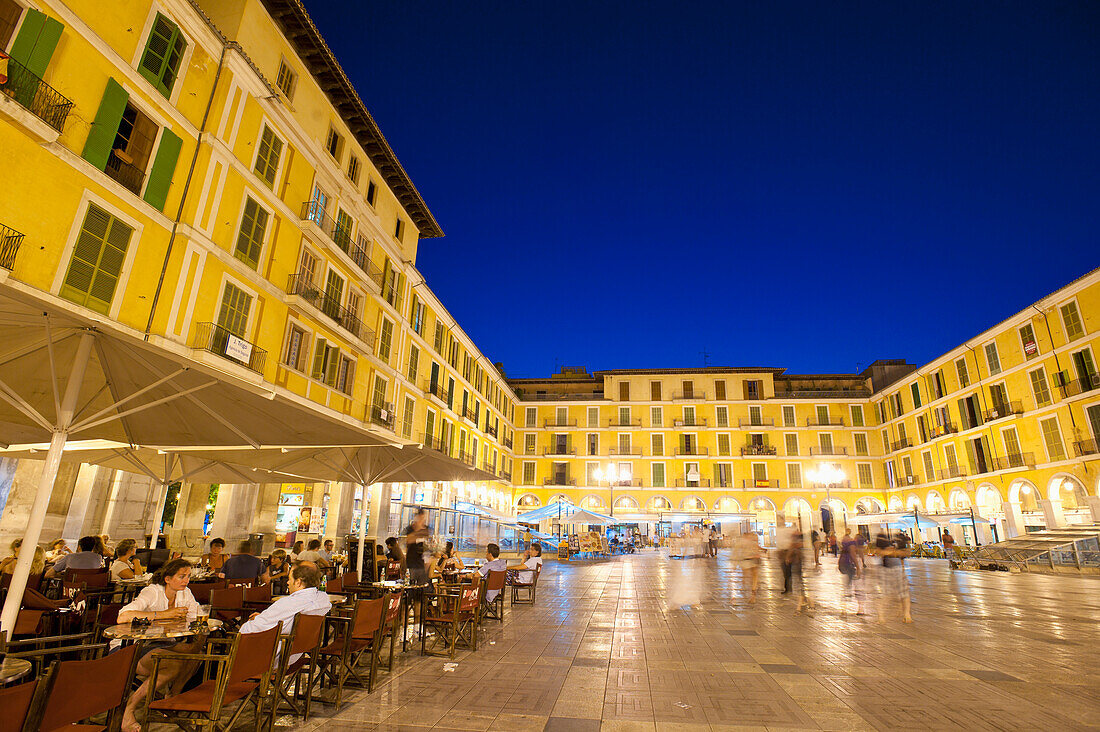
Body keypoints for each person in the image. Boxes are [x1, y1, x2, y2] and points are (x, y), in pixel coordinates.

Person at [118, 559, 204, 732]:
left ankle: (171, 698)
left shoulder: (185, 593)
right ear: (167, 578)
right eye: (181, 576)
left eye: (188, 576)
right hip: (133, 645)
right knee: (173, 663)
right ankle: (129, 708)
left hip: (163, 642)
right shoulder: (152, 592)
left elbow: (198, 616)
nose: (186, 580)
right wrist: (164, 614)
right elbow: (123, 616)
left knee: (196, 652)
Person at [239, 563, 331, 663]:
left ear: (298, 582)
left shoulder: (289, 604)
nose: (287, 582)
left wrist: (254, 621)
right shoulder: (322, 600)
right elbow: (284, 620)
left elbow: (249, 630)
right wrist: (265, 617)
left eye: (290, 579)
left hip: (269, 658)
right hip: (294, 655)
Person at [875, 530, 913, 623]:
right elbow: (879, 552)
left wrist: (892, 552)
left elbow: (907, 553)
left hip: (897, 568)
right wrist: (894, 552)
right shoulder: (881, 538)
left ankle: (907, 615)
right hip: (887, 569)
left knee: (903, 593)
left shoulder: (899, 539)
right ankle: (881, 617)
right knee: (885, 595)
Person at [838, 529, 865, 616]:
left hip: (844, 565)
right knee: (858, 586)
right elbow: (854, 555)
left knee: (846, 586)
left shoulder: (848, 543)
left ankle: (844, 608)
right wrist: (858, 567)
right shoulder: (853, 544)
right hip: (851, 566)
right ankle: (860, 608)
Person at [734, 531, 765, 604]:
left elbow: (736, 552)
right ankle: (752, 594)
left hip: (749, 561)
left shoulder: (743, 542)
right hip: (753, 560)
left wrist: (735, 563)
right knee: (753, 578)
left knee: (751, 577)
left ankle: (752, 594)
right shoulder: (751, 542)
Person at [775, 522, 795, 594]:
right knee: (786, 573)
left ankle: (788, 588)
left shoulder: (787, 537)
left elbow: (791, 547)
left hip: (787, 554)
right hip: (784, 554)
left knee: (787, 573)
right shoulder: (783, 536)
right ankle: (788, 588)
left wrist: (788, 556)